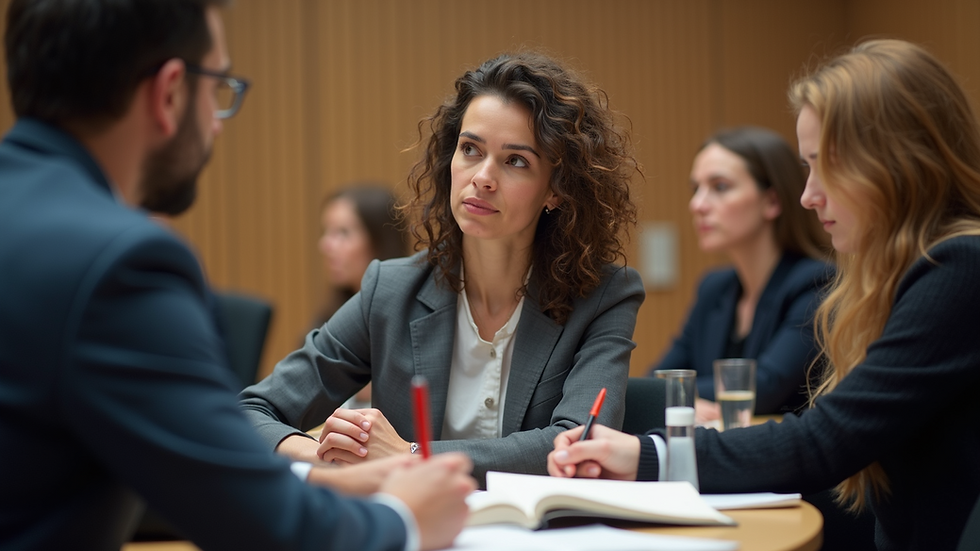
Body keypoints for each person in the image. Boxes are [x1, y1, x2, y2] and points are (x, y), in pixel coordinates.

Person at [0, 1, 476, 550]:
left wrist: (320, 481)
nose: (217, 123)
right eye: (218, 87)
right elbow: (256, 525)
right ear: (170, 92)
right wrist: (405, 519)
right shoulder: (119, 264)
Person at [549, 39, 980, 551]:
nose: (809, 194)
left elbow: (825, 437)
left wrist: (649, 455)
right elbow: (675, 381)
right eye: (806, 167)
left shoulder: (959, 266)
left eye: (828, 165)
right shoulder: (893, 276)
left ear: (898, 161)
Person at [239, 51, 645, 485]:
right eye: (470, 149)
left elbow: (577, 443)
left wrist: (412, 456)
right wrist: (320, 458)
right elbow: (251, 413)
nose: (483, 177)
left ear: (556, 190)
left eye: (516, 161)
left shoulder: (604, 295)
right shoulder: (390, 291)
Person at [648, 126, 831, 422]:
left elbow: (767, 386)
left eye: (719, 187)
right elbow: (656, 380)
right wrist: (682, 397)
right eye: (696, 189)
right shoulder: (713, 288)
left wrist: (681, 397)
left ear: (772, 201)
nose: (697, 205)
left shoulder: (817, 281)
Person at [314, 184, 407, 408]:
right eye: (326, 232)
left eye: (343, 233)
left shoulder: (411, 320)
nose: (325, 245)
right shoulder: (330, 316)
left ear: (379, 241)